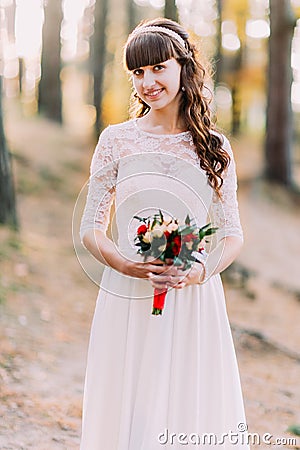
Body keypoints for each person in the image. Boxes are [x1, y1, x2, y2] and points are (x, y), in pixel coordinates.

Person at [79, 17, 249, 450]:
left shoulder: (214, 146)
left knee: (184, 397)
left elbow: (232, 234)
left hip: (192, 293)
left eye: (158, 67)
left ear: (183, 68)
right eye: (137, 72)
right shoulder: (116, 140)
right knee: (131, 395)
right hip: (127, 292)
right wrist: (126, 265)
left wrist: (197, 272)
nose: (147, 82)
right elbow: (90, 228)